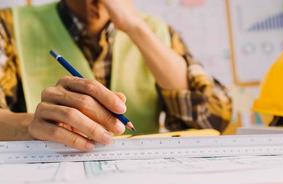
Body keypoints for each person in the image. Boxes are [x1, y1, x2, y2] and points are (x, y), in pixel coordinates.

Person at [0, 0, 232, 151]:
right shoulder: (10, 26)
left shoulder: (156, 30)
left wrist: (136, 28)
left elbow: (215, 119)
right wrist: (28, 126)